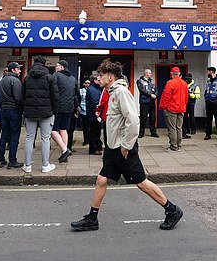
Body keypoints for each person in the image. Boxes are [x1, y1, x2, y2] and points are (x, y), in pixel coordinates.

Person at [71, 60, 183, 232]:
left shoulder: (121, 92)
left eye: (101, 75)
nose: (98, 78)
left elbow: (133, 120)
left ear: (110, 76)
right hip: (112, 147)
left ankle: (172, 209)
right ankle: (92, 218)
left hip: (123, 149)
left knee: (142, 183)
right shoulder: (111, 91)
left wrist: (126, 146)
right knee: (101, 180)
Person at [21, 55, 59, 173]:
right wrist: (55, 112)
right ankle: (45, 165)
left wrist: (24, 110)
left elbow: (22, 96)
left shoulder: (27, 78)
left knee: (29, 138)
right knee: (45, 139)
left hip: (30, 113)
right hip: (46, 113)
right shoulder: (49, 77)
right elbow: (55, 97)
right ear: (44, 64)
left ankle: (27, 166)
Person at [0, 62, 24, 169]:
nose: (20, 71)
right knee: (14, 136)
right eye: (18, 69)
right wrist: (21, 109)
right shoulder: (15, 81)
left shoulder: (2, 81)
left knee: (4, 135)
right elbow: (18, 98)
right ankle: (12, 160)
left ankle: (1, 159)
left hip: (3, 110)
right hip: (14, 110)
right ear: (13, 70)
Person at [52, 60, 79, 163]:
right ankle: (64, 154)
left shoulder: (56, 76)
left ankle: (65, 150)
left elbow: (52, 90)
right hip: (69, 108)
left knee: (52, 130)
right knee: (63, 129)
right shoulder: (73, 79)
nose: (56, 67)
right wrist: (76, 106)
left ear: (62, 67)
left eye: (57, 66)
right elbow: (76, 94)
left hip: (58, 107)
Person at [159, 66, 188, 151]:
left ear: (171, 74)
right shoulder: (184, 83)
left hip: (171, 108)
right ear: (179, 74)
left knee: (172, 128)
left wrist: (164, 107)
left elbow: (166, 96)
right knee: (179, 127)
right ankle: (178, 145)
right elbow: (186, 97)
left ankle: (173, 146)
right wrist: (184, 105)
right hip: (181, 108)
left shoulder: (170, 83)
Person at [136, 69, 159, 138]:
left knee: (153, 117)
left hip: (152, 102)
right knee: (143, 118)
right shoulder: (140, 81)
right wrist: (150, 95)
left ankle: (153, 132)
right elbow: (142, 90)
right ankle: (141, 133)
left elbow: (156, 89)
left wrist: (156, 95)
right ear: (146, 73)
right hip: (144, 102)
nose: (151, 74)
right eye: (149, 73)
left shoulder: (151, 81)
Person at [86, 75, 103, 155]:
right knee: (94, 132)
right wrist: (97, 113)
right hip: (94, 115)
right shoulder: (93, 89)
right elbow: (95, 102)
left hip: (94, 114)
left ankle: (97, 146)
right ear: (95, 80)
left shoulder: (95, 88)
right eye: (99, 80)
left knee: (96, 131)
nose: (100, 82)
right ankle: (93, 148)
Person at [183, 73, 201, 138]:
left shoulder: (195, 86)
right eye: (185, 79)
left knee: (191, 116)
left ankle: (193, 129)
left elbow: (198, 96)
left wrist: (190, 95)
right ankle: (186, 129)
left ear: (190, 79)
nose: (186, 80)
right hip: (184, 102)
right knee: (185, 117)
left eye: (187, 79)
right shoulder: (184, 85)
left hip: (191, 102)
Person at [78, 79, 90, 146]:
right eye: (86, 83)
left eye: (88, 83)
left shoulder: (91, 90)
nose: (87, 84)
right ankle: (86, 140)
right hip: (83, 111)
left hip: (90, 111)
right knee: (85, 127)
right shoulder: (81, 91)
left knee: (90, 127)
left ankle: (89, 140)